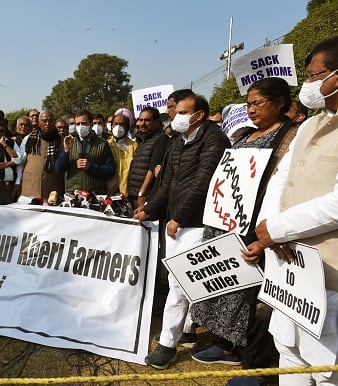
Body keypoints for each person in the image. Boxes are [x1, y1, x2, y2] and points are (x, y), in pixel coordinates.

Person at [242, 36, 338, 386]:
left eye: (315, 75)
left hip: (329, 275)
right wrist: (268, 228)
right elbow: (283, 177)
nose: (308, 84)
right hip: (289, 269)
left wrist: (279, 230)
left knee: (325, 367)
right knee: (289, 353)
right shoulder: (311, 124)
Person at [190, 77, 297, 386]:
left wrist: (267, 234)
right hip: (226, 225)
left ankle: (259, 369)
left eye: (257, 103)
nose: (251, 110)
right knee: (229, 294)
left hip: (260, 230)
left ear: (280, 103)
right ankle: (234, 350)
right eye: (248, 104)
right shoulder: (245, 137)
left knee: (256, 303)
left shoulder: (289, 137)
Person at [135, 94, 230, 369]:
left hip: (197, 222)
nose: (174, 117)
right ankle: (186, 330)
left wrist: (179, 216)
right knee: (182, 281)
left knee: (179, 282)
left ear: (199, 115)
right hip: (176, 221)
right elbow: (168, 182)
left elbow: (204, 183)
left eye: (181, 112)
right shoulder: (179, 142)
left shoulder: (214, 140)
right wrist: (149, 209)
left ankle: (167, 344)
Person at [54, 109, 116, 195]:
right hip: (73, 195)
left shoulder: (102, 144)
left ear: (90, 124)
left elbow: (111, 170)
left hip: (95, 195)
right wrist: (66, 152)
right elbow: (59, 169)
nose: (80, 127)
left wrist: (91, 167)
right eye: (78, 124)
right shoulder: (69, 142)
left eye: (84, 123)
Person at [126, 107, 166, 209]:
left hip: (145, 197)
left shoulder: (161, 139)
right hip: (133, 194)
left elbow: (152, 169)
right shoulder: (143, 140)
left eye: (147, 120)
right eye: (141, 120)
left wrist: (142, 193)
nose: (142, 123)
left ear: (157, 122)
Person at [20, 110, 65, 200]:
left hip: (52, 189)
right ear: (39, 122)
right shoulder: (29, 138)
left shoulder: (62, 141)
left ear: (54, 122)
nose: (47, 123)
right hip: (29, 188)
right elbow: (21, 160)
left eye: (50, 121)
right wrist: (18, 182)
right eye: (44, 121)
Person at [107, 112, 137, 196]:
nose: (118, 127)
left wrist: (116, 187)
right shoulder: (106, 144)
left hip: (127, 191)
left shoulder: (133, 146)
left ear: (127, 127)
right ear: (111, 126)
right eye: (115, 124)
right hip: (108, 191)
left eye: (122, 124)